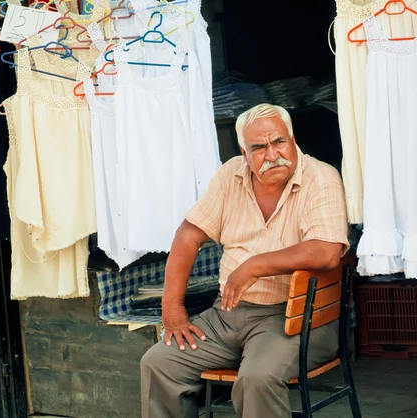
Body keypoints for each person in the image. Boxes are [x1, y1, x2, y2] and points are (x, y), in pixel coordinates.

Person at [140, 104, 350, 418]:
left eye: (279, 142)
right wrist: (172, 307)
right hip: (227, 315)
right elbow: (187, 235)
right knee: (159, 364)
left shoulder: (321, 178)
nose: (273, 154)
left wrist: (254, 265)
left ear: (293, 140)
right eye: (259, 148)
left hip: (296, 318)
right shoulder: (230, 175)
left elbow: (326, 251)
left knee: (257, 378)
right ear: (244, 152)